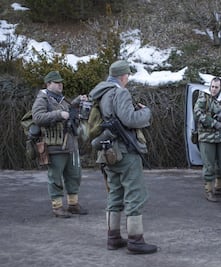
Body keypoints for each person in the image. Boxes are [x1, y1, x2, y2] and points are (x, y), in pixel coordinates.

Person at [89, 60, 157, 254]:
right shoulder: (120, 92)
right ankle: (135, 240)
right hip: (124, 152)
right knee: (135, 194)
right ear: (123, 76)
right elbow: (130, 119)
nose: (128, 78)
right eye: (127, 75)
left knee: (115, 193)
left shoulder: (101, 94)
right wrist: (145, 112)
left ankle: (113, 238)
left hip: (108, 152)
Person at [32, 71, 88, 218]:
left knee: (74, 175)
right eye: (56, 82)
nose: (60, 84)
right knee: (55, 177)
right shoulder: (43, 99)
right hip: (54, 146)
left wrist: (76, 101)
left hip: (70, 144)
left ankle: (73, 204)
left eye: (60, 82)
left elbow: (69, 111)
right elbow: (37, 117)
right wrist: (58, 115)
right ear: (48, 84)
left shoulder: (61, 99)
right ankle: (57, 207)